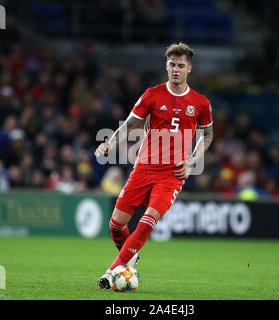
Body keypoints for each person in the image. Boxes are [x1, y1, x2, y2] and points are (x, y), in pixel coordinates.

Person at [94, 43, 214, 289]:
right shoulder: (152, 94)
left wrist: (192, 160)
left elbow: (208, 134)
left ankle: (111, 272)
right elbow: (128, 125)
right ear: (166, 66)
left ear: (189, 68)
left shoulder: (200, 102)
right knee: (116, 224)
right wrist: (110, 144)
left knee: (148, 220)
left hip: (172, 174)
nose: (176, 70)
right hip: (144, 168)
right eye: (172, 65)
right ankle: (130, 256)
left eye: (181, 66)